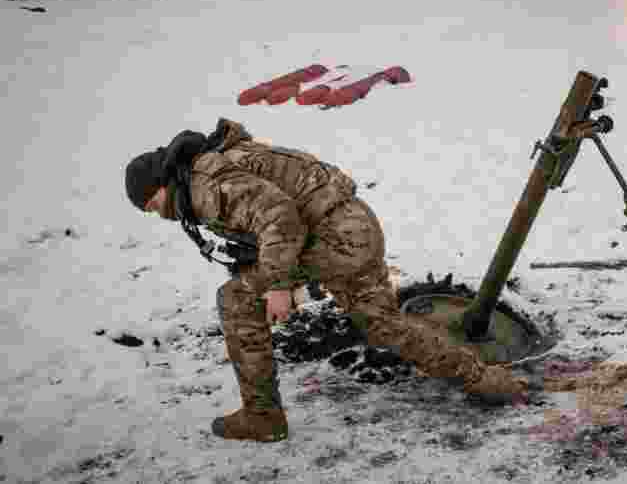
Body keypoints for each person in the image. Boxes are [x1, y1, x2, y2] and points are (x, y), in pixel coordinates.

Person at [125, 118, 527, 442]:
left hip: (333, 238)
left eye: (153, 204)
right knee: (384, 325)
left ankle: (262, 416)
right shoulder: (218, 160)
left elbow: (278, 217)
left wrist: (278, 285)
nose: (159, 213)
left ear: (162, 184)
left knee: (235, 300)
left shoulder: (204, 182)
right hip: (355, 229)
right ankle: (488, 380)